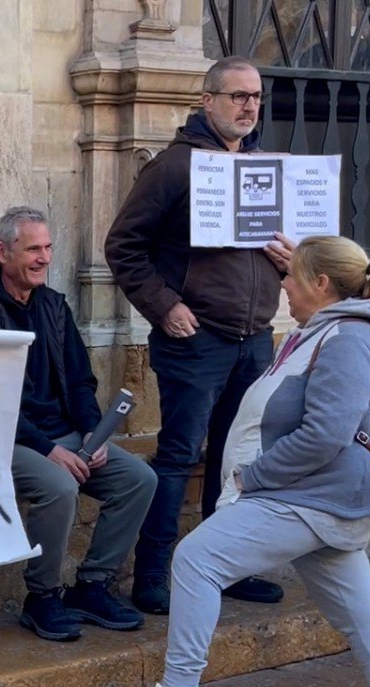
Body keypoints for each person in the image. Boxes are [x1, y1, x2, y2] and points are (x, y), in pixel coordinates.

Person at [117, 236, 370, 687]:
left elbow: (327, 434)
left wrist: (254, 476)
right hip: (322, 498)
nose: (282, 286)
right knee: (363, 618)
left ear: (320, 284)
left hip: (309, 497)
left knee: (196, 559)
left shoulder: (349, 338)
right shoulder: (333, 331)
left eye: (290, 277)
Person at [105, 55, 296, 615]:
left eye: (256, 96)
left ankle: (227, 567)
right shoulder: (173, 166)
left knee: (238, 459)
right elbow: (124, 248)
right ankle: (153, 575)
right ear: (206, 101)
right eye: (236, 95)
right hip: (195, 339)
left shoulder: (265, 165)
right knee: (179, 455)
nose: (248, 106)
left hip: (255, 338)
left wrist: (291, 264)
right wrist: (164, 307)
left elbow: (284, 251)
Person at [0, 207, 156, 641]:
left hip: (63, 433)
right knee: (58, 487)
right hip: (4, 439)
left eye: (48, 248)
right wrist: (48, 450)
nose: (44, 258)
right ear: (1, 252)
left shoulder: (53, 306)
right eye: (33, 249)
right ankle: (41, 597)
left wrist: (96, 435)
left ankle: (92, 585)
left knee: (139, 478)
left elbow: (80, 382)